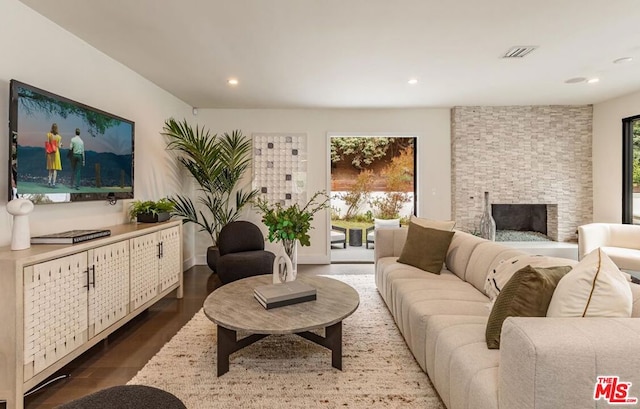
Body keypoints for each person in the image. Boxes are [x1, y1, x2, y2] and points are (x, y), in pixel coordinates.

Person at [46, 123, 63, 187]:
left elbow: (47, 143)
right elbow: (59, 146)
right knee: (55, 168)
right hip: (56, 153)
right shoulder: (59, 137)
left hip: (50, 153)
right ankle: (54, 183)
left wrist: (47, 152)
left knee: (50, 168)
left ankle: (49, 181)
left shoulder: (49, 135)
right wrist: (61, 145)